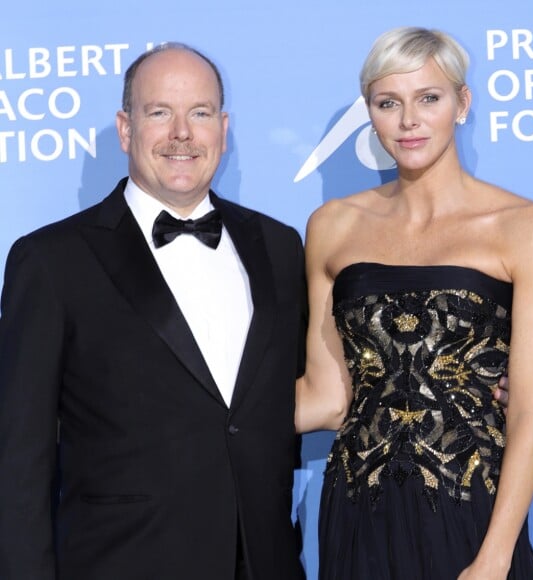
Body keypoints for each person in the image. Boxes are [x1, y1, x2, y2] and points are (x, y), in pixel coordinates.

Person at [0, 43, 307, 580]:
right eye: (159, 112)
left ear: (224, 128)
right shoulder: (52, 261)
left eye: (201, 113)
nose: (182, 133)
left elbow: (319, 383)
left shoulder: (280, 248)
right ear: (125, 128)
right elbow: (18, 462)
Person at [295, 27, 533, 579]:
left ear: (461, 103)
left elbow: (530, 413)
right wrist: (193, 415)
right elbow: (326, 397)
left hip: (473, 515)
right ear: (370, 113)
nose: (408, 121)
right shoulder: (331, 226)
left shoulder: (527, 229)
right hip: (357, 511)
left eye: (429, 98)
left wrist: (494, 558)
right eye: (388, 103)